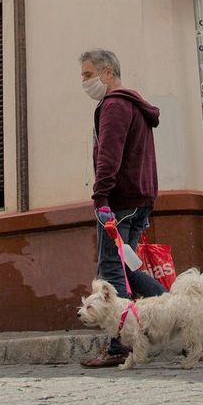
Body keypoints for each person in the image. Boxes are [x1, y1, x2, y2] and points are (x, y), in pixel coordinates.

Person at [77, 48, 167, 368]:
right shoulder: (136, 105)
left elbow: (109, 158)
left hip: (119, 202)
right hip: (140, 200)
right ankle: (177, 316)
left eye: (88, 74)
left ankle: (118, 346)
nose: (84, 81)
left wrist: (100, 198)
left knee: (111, 271)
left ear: (108, 73)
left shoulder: (114, 105)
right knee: (129, 268)